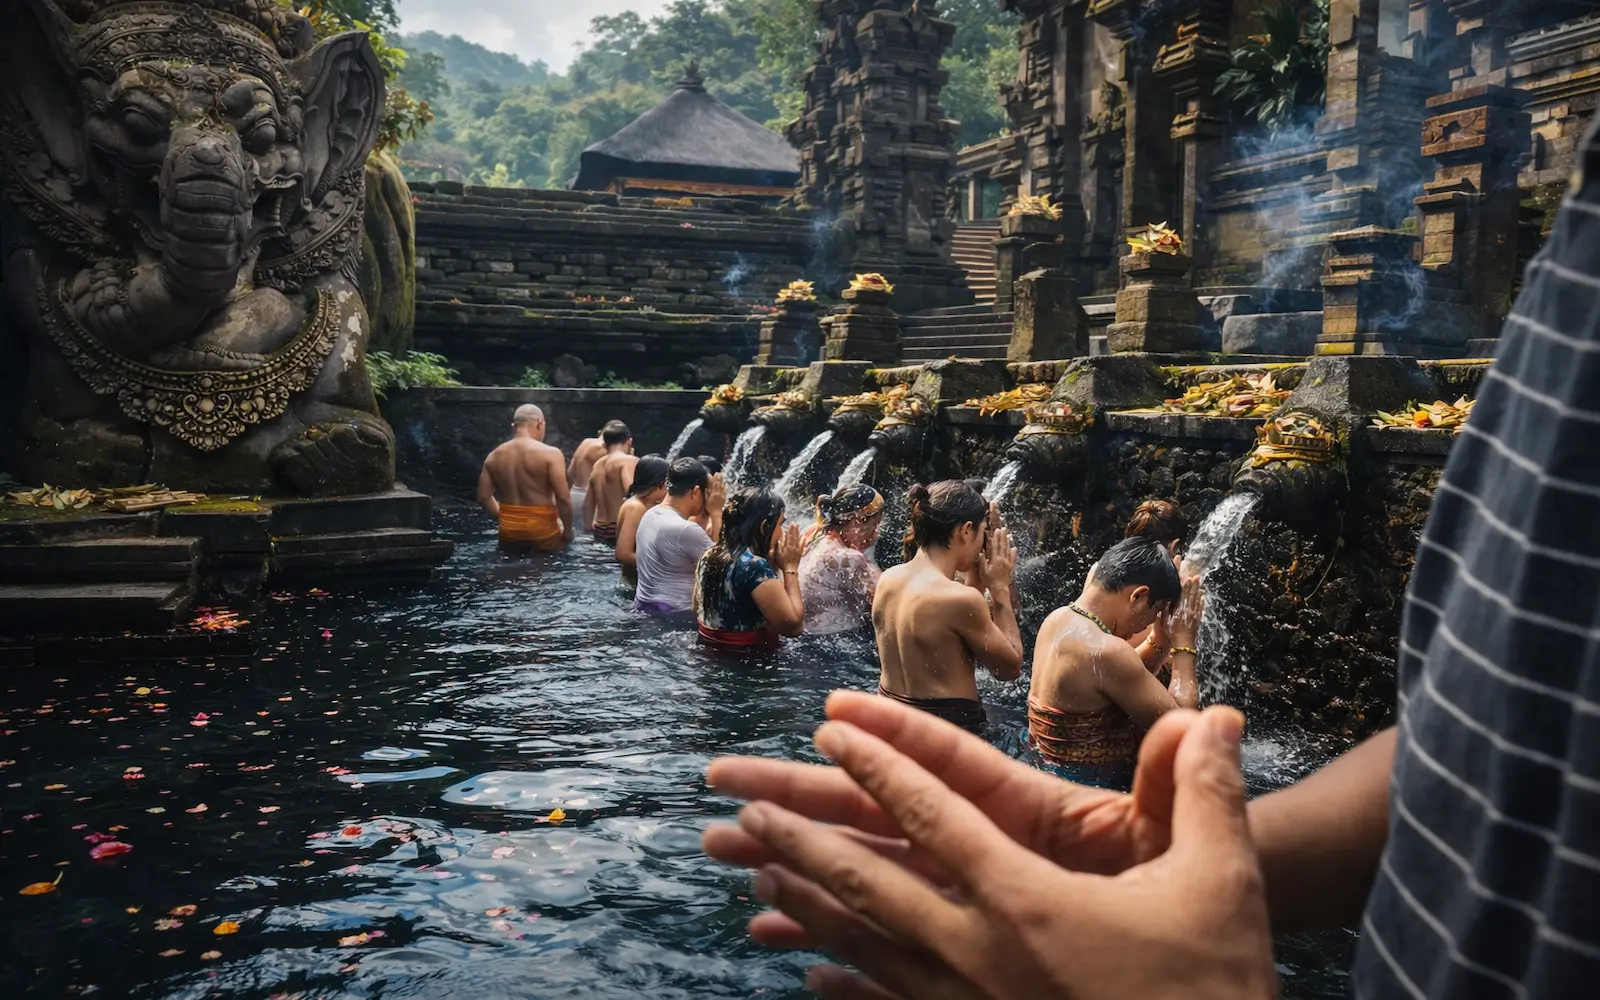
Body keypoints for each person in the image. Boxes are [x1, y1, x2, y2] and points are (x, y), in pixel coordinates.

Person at [698, 117, 1600, 1000]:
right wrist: (1162, 672)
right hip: (972, 731)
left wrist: (1169, 870)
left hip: (903, 711)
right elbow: (1495, 720)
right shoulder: (1005, 611)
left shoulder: (956, 592)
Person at [1027, 536, 1201, 788]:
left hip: (1041, 774)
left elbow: (1119, 682)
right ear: (1139, 596)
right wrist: (1185, 640)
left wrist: (1160, 639)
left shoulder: (1057, 619)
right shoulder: (1107, 652)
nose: (1152, 621)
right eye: (1158, 610)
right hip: (1090, 793)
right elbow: (1184, 731)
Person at [871, 481, 1024, 733]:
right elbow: (1009, 668)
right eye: (982, 531)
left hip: (889, 724)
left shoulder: (890, 578)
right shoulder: (959, 600)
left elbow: (956, 634)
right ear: (966, 531)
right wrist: (999, 589)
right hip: (944, 738)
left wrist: (975, 573)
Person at [693, 488, 805, 651]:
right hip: (746, 663)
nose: (782, 533)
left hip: (708, 652)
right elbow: (793, 627)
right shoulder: (755, 567)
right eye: (780, 524)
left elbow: (696, 607)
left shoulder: (709, 554)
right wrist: (791, 568)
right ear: (764, 526)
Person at [634, 458, 725, 618]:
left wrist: (705, 511)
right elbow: (722, 567)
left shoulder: (650, 514)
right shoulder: (685, 529)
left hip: (644, 607)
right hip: (676, 617)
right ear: (696, 491)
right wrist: (716, 513)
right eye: (708, 492)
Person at [475, 404, 574, 552]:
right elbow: (563, 497)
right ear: (540, 424)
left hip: (508, 532)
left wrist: (507, 518)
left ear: (514, 426)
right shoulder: (551, 454)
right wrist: (567, 531)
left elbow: (483, 497)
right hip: (541, 532)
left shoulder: (493, 456)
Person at [798, 484, 885, 635]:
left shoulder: (814, 533)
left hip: (804, 635)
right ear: (858, 521)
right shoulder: (849, 558)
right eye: (874, 524)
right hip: (835, 642)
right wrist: (868, 551)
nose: (876, 531)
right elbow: (885, 604)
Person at [614, 456, 671, 592]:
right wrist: (664, 564)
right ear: (660, 484)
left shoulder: (646, 505)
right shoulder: (636, 507)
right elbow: (623, 553)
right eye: (669, 485)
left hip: (640, 581)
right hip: (633, 584)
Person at [586, 422, 637, 543]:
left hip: (599, 528)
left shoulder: (597, 465)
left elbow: (587, 504)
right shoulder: (628, 461)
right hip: (618, 528)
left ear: (604, 445)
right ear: (629, 442)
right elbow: (631, 495)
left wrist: (588, 527)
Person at [566, 420, 621, 517]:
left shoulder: (585, 442)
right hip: (590, 500)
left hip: (573, 495)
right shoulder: (605, 448)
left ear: (600, 432)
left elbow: (570, 473)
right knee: (590, 531)